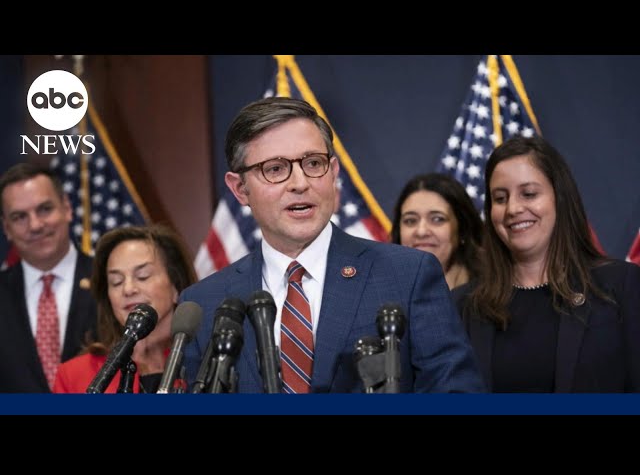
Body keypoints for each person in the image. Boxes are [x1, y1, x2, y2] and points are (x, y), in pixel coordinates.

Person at [181, 97, 485, 393]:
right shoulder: (204, 305)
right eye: (275, 169)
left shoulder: (407, 276)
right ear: (239, 189)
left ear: (334, 172)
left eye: (314, 163)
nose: (300, 183)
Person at [453, 135, 640, 392]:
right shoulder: (462, 306)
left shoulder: (620, 286)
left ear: (559, 198)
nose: (513, 209)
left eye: (529, 194)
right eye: (500, 198)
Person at [53, 224, 197, 393]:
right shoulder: (74, 375)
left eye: (142, 276)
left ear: (176, 286)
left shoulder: (205, 361)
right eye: (117, 282)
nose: (128, 289)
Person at [0, 163, 97, 393]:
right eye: (19, 217)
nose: (35, 225)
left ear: (67, 208)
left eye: (44, 209)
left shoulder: (110, 281)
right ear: (6, 228)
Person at [391, 173, 483, 289]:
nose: (421, 231)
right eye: (410, 221)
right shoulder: (379, 291)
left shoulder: (491, 292)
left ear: (462, 230)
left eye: (437, 219)